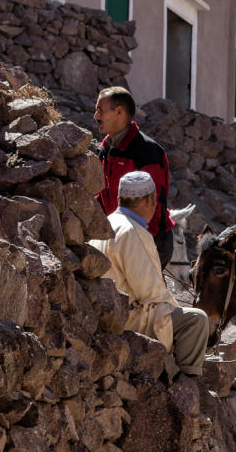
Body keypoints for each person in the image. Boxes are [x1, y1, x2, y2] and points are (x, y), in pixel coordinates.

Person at [89, 171, 209, 377]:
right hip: (131, 318)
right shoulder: (134, 232)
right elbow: (150, 292)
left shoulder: (107, 222)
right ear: (149, 200)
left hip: (104, 313)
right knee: (196, 320)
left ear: (120, 199)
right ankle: (187, 385)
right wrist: (175, 309)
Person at [94, 87, 175, 270]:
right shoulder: (103, 151)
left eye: (100, 110)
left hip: (149, 240)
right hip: (120, 238)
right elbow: (101, 196)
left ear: (119, 112)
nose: (95, 116)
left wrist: (136, 245)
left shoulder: (147, 152)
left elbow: (152, 206)